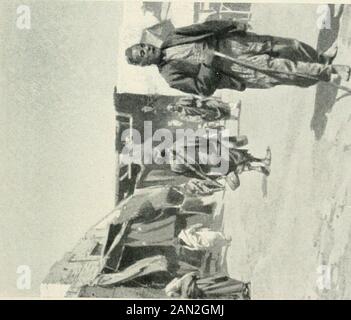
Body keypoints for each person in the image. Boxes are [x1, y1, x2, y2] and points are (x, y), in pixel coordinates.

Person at [125, 20, 350, 96]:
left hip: (232, 43)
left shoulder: (172, 37)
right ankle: (329, 73)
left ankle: (320, 58)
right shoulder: (170, 76)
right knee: (280, 69)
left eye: (144, 46)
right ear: (143, 64)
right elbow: (203, 88)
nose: (147, 50)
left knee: (287, 45)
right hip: (231, 66)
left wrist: (233, 24)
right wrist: (207, 63)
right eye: (142, 54)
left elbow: (205, 26)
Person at [165, 271, 250, 299]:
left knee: (223, 287)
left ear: (173, 290)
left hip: (205, 287)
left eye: (172, 295)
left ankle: (242, 287)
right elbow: (194, 273)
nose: (174, 297)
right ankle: (242, 287)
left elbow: (193, 274)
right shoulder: (183, 282)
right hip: (205, 286)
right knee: (224, 286)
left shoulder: (183, 290)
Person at [167, 96, 240, 122]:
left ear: (174, 104)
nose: (174, 107)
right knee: (217, 115)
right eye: (173, 109)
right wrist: (201, 117)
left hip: (202, 104)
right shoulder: (182, 116)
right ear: (174, 111)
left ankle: (233, 106)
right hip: (201, 114)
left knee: (215, 103)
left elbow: (192, 97)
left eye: (173, 106)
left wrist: (198, 101)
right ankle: (233, 118)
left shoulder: (181, 101)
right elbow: (192, 119)